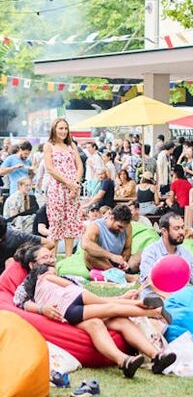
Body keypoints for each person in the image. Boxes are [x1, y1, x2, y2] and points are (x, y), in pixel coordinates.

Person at [15, 260, 176, 377]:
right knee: (110, 309)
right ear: (33, 265)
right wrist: (42, 309)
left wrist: (123, 297)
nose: (52, 260)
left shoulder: (45, 286)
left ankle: (155, 357)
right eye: (47, 259)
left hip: (70, 312)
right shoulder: (34, 283)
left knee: (116, 317)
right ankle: (150, 312)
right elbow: (22, 302)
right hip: (72, 306)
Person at [44, 119, 84, 258]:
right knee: (56, 221)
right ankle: (52, 258)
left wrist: (75, 184)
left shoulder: (71, 145)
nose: (63, 131)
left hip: (73, 188)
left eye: (66, 128)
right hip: (57, 188)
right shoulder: (49, 145)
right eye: (60, 128)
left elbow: (79, 165)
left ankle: (68, 258)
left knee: (71, 222)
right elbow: (50, 169)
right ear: (54, 129)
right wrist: (68, 183)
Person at [139, 212, 193, 296]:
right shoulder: (151, 251)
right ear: (164, 231)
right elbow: (149, 281)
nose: (181, 232)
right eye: (176, 228)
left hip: (179, 299)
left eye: (182, 227)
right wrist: (167, 296)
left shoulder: (186, 253)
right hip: (156, 298)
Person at [82, 203, 135, 274]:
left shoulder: (127, 227)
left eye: (123, 228)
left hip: (119, 261)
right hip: (102, 262)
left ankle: (119, 273)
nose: (122, 230)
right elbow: (85, 244)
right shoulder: (96, 226)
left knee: (141, 255)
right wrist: (111, 256)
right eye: (119, 226)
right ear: (111, 218)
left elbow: (127, 248)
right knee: (88, 255)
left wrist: (123, 262)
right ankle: (119, 275)